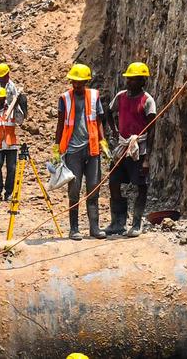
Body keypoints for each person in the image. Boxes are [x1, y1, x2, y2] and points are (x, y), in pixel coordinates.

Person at [53, 63, 111, 240]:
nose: (76, 85)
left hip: (91, 148)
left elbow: (99, 121)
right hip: (72, 151)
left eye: (79, 82)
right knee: (74, 190)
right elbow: (61, 124)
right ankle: (74, 229)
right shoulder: (64, 98)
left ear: (86, 81)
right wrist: (56, 148)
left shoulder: (94, 96)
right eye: (73, 82)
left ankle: (94, 228)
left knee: (93, 189)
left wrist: (103, 142)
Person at [106, 62, 157, 238]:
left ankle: (136, 222)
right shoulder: (121, 96)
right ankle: (117, 222)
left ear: (142, 81)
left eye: (133, 79)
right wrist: (114, 131)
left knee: (140, 186)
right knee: (113, 182)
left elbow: (152, 129)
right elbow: (108, 112)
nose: (129, 82)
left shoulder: (147, 101)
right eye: (128, 79)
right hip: (122, 147)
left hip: (138, 149)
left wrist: (146, 158)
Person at [0, 63, 28, 201]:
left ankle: (8, 192)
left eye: (0, 99)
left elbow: (21, 120)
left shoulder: (11, 109)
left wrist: (20, 105)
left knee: (12, 169)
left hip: (11, 144)